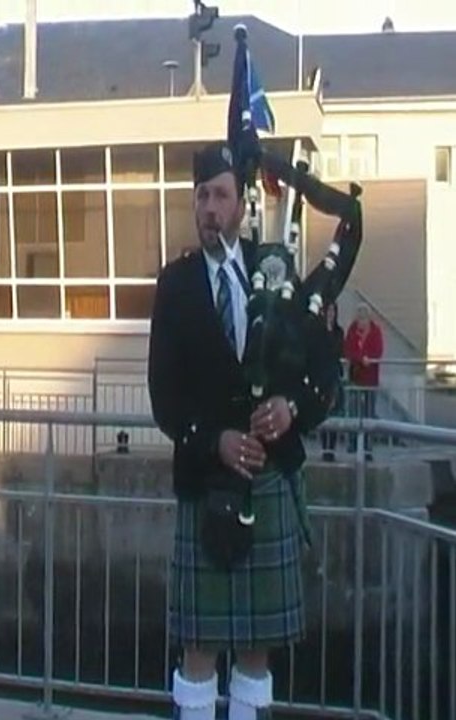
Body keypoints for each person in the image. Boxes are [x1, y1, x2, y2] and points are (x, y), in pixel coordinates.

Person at [147, 142, 338, 720]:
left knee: (256, 654)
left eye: (220, 195)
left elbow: (324, 369)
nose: (209, 207)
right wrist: (215, 440)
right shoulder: (175, 284)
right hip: (207, 483)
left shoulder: (273, 268)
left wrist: (291, 408)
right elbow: (165, 398)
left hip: (269, 479)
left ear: (240, 204)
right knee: (198, 651)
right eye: (201, 195)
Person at [344, 303, 383, 457]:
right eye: (359, 316)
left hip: (371, 379)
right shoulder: (352, 331)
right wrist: (361, 359)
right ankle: (353, 443)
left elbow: (378, 350)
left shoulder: (375, 331)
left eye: (364, 316)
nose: (362, 319)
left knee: (369, 412)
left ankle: (368, 447)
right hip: (355, 377)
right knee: (353, 412)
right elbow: (347, 350)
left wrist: (369, 359)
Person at [320, 301, 345, 461]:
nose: (330, 313)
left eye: (333, 310)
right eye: (328, 310)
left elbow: (336, 350)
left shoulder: (338, 331)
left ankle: (332, 449)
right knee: (323, 413)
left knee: (334, 411)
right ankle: (324, 449)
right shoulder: (318, 330)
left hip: (334, 374)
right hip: (321, 375)